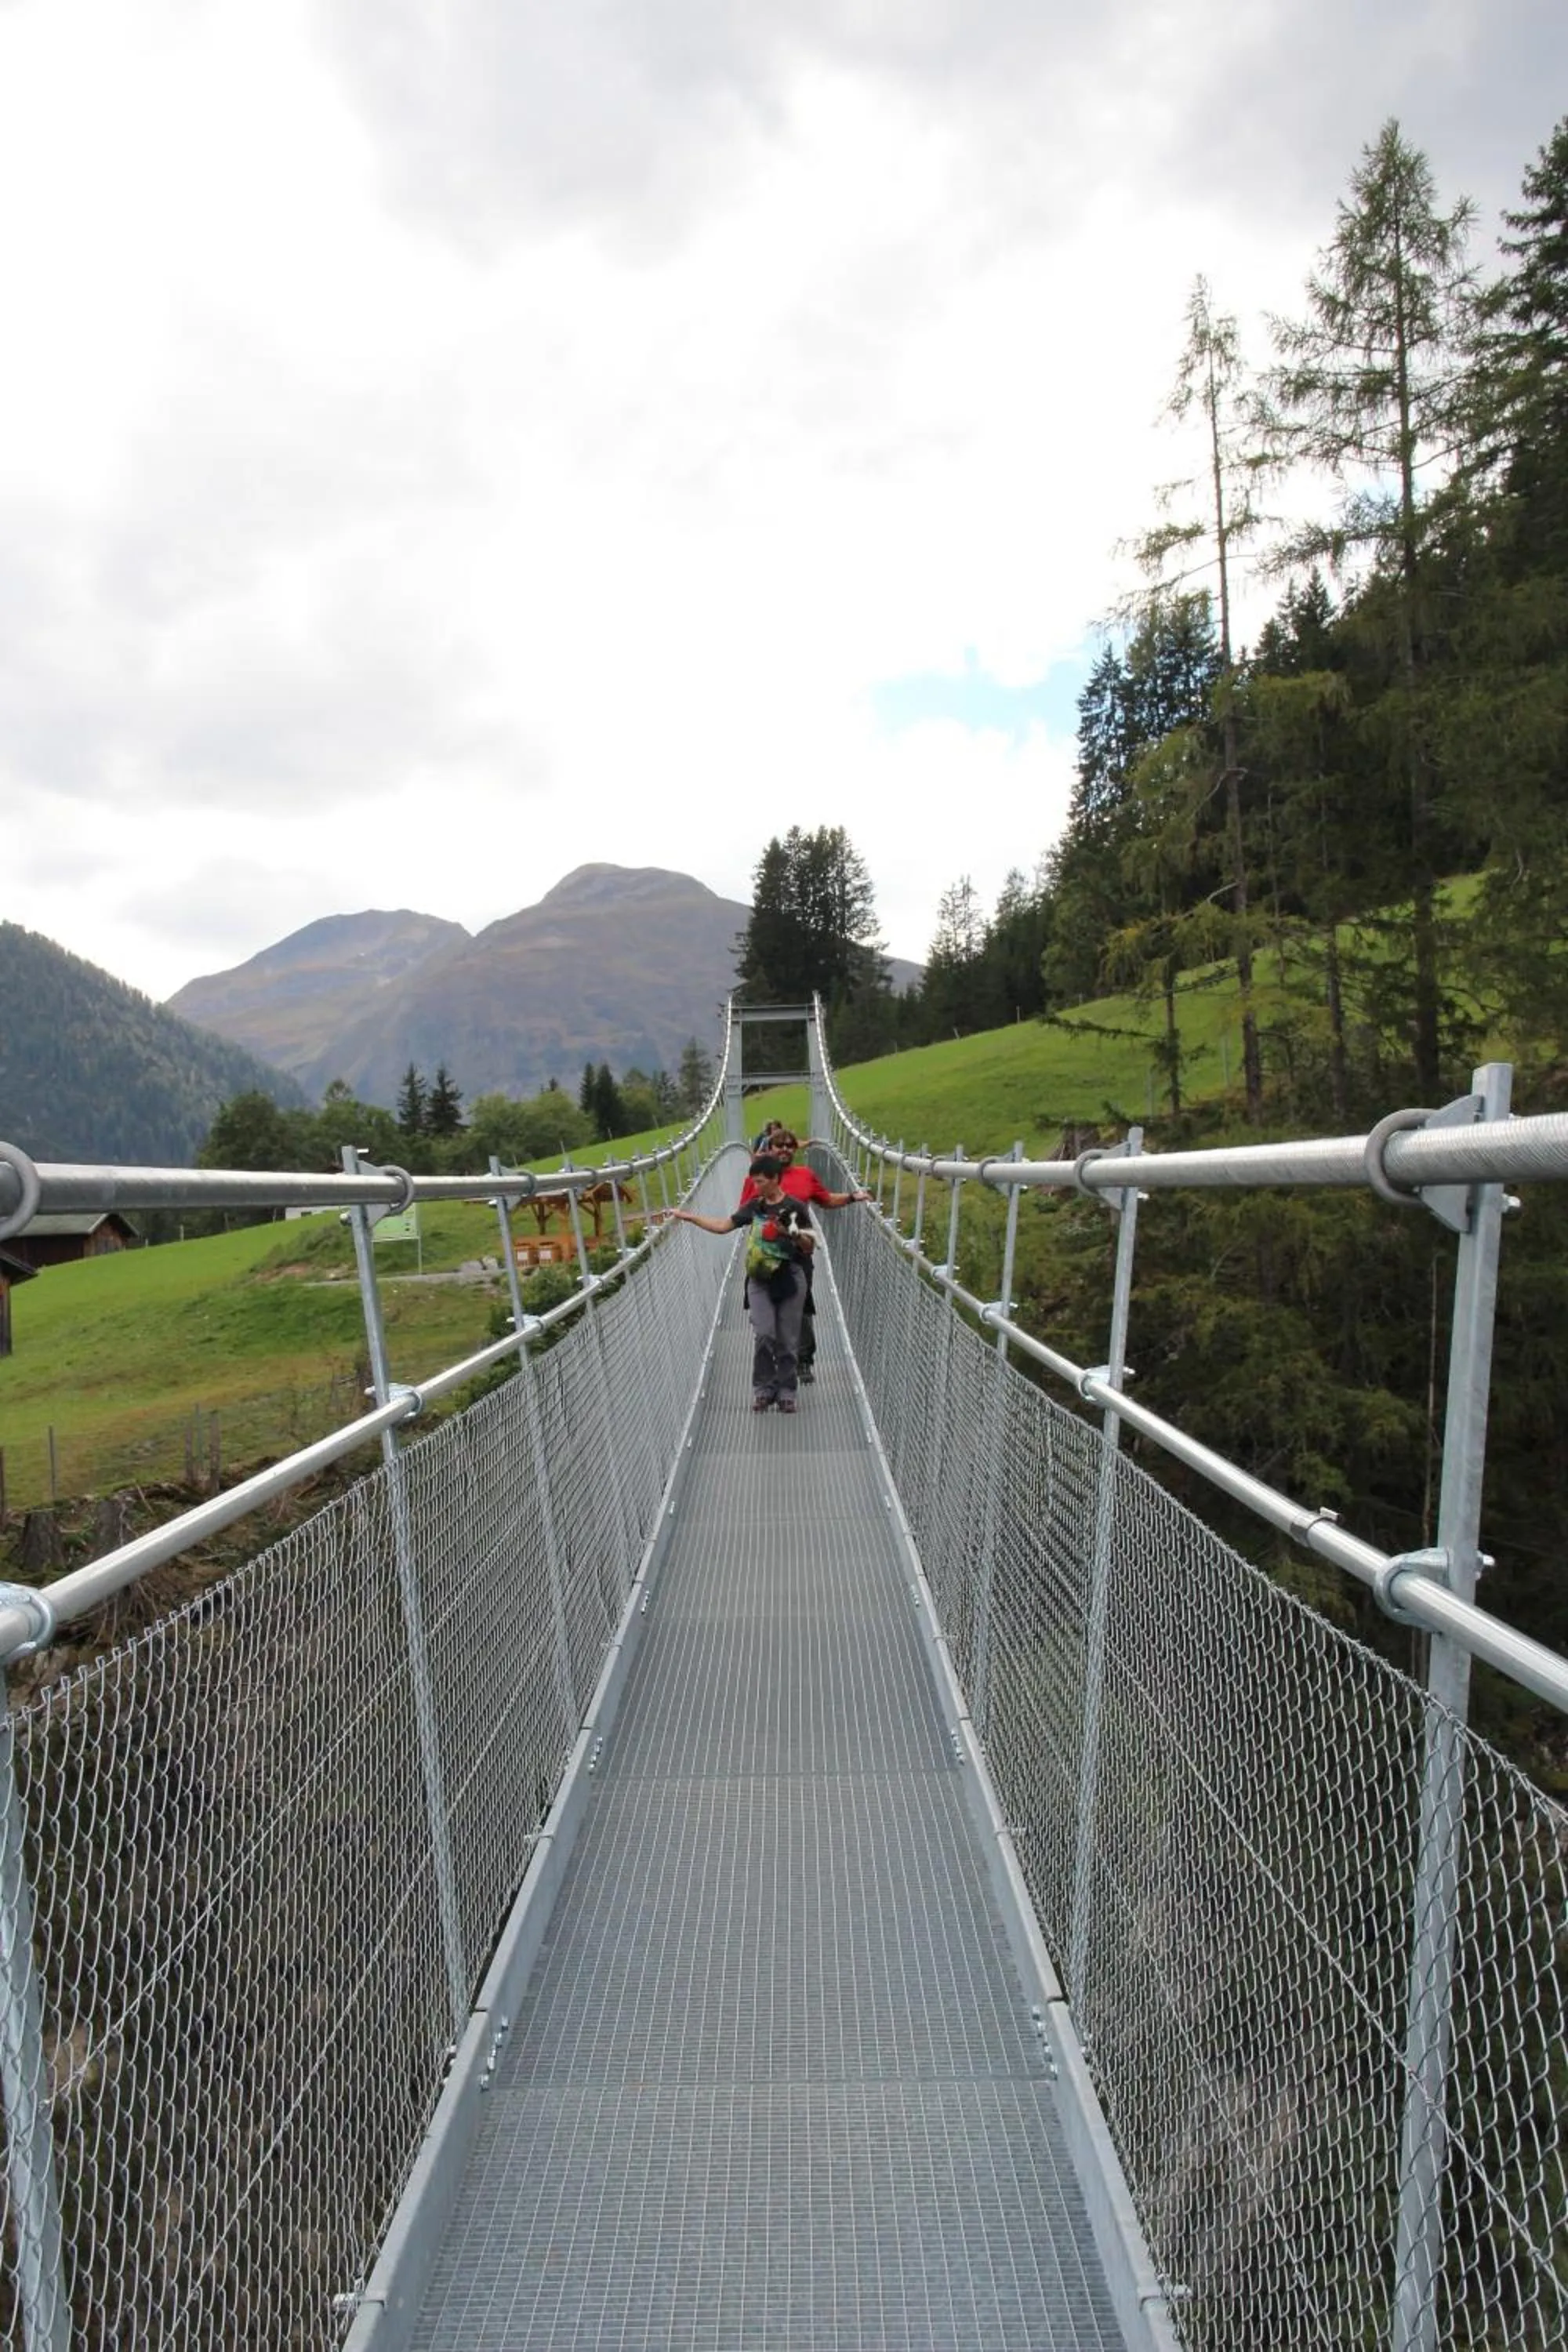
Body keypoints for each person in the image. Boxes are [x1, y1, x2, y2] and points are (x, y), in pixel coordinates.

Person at [669, 1155, 815, 1411]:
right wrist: (689, 1217)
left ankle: (787, 1393)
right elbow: (724, 1226)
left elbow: (809, 1246)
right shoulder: (754, 1206)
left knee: (788, 1340)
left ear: (774, 1180)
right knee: (764, 1334)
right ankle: (764, 1389)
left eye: (759, 1182)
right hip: (759, 1277)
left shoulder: (795, 1207)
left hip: (790, 1276)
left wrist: (788, 1232)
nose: (755, 1187)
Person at [736, 1133, 870, 1382]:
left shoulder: (805, 1175)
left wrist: (852, 1197)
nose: (785, 1149)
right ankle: (775, 1367)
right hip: (766, 1256)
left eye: (790, 1145)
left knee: (801, 1307)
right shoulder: (756, 1179)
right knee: (768, 1313)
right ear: (770, 1148)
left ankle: (804, 1360)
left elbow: (827, 1200)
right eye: (780, 1146)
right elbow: (741, 1214)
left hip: (799, 1254)